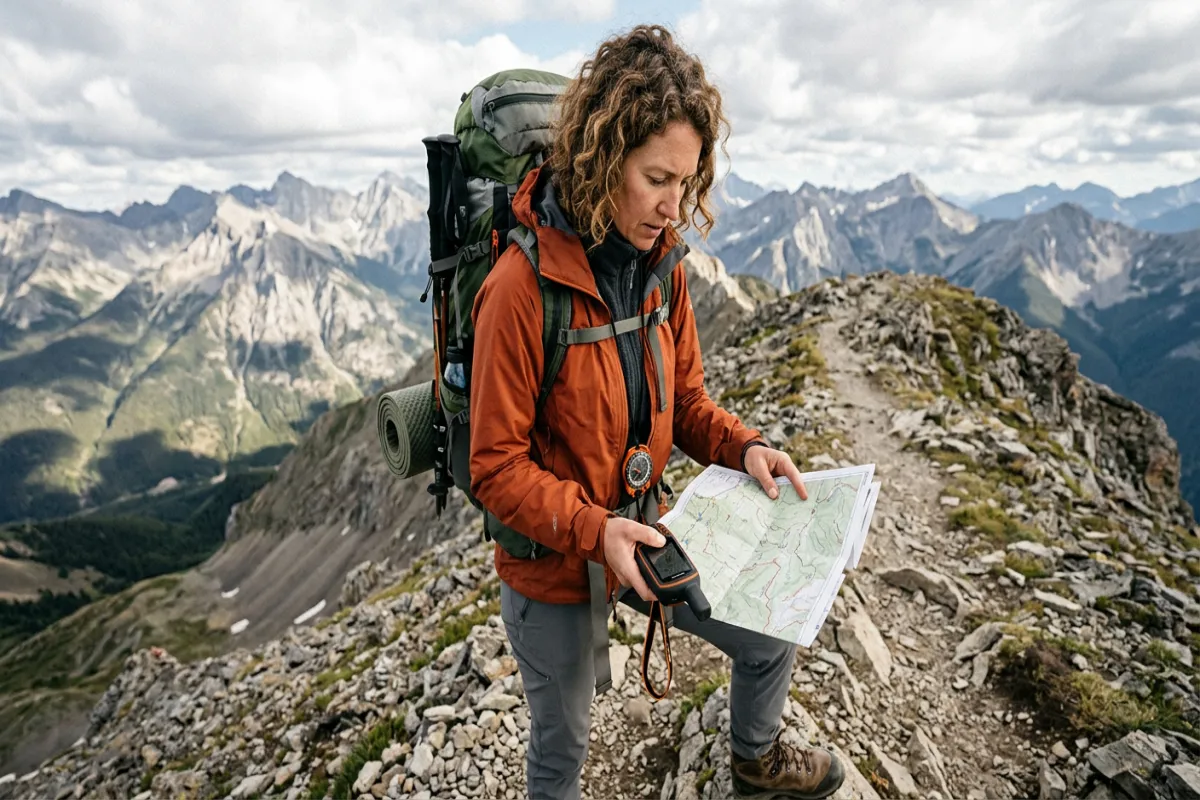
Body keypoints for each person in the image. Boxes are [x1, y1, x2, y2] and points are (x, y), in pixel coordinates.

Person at [468, 24, 846, 800]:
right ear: (604, 158)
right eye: (657, 178)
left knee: (770, 636)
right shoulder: (518, 290)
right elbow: (495, 468)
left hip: (646, 532)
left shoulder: (662, 268)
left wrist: (746, 449)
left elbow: (692, 402)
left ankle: (756, 758)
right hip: (553, 566)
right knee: (562, 751)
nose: (676, 206)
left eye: (689, 180)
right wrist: (593, 531)